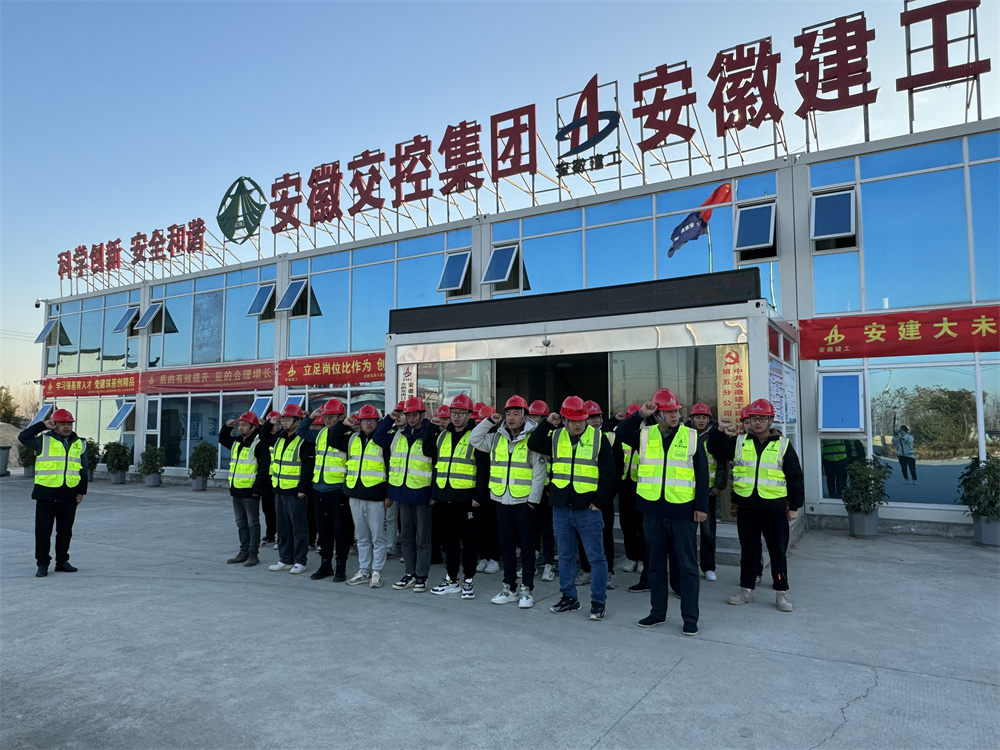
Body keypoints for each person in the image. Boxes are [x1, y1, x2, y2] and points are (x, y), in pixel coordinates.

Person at [615, 389, 709, 635]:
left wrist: (701, 507)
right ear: (657, 414)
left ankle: (690, 617)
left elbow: (701, 474)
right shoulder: (645, 434)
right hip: (652, 510)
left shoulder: (691, 436)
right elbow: (621, 433)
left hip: (683, 510)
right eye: (668, 411)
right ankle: (657, 613)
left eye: (676, 410)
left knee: (688, 567)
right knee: (655, 565)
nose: (674, 415)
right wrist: (640, 414)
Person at [528, 396, 616, 621]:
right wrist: (547, 423)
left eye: (581, 420)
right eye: (573, 420)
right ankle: (569, 597)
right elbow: (534, 443)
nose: (578, 424)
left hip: (588, 508)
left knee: (596, 558)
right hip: (561, 508)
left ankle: (598, 602)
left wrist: (599, 501)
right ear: (564, 419)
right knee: (566, 556)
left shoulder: (598, 438)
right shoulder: (556, 436)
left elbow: (609, 473)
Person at [716, 399, 804, 613]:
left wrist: (794, 507)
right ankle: (746, 590)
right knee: (748, 552)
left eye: (762, 418)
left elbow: (795, 478)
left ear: (770, 420)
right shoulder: (740, 442)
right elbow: (717, 451)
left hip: (774, 510)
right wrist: (719, 431)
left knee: (777, 552)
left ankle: (781, 592)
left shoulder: (783, 445)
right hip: (748, 508)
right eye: (754, 418)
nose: (757, 422)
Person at [470, 396, 547, 609]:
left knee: (527, 549)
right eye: (508, 413)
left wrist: (533, 501)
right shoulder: (496, 437)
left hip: (524, 502)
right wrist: (489, 421)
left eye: (516, 413)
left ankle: (526, 589)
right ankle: (509, 587)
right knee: (506, 548)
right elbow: (474, 439)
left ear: (524, 416)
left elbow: (539, 473)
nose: (511, 418)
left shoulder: (533, 438)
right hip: (501, 500)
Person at [374, 397, 440, 593]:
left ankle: (422, 576)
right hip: (402, 492)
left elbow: (436, 465)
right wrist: (389, 418)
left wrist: (434, 493)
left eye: (414, 414)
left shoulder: (430, 433)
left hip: (422, 493)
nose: (411, 418)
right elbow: (378, 437)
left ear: (422, 414)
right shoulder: (398, 435)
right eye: (407, 414)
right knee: (407, 537)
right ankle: (410, 573)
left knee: (422, 539)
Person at [429, 394, 489, 599]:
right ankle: (451, 579)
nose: (456, 417)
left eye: (461, 413)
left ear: (469, 415)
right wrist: (436, 493)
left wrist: (479, 496)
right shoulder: (442, 436)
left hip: (466, 499)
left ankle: (468, 580)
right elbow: (435, 462)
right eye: (454, 412)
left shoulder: (475, 436)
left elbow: (483, 469)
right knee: (449, 541)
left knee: (468, 541)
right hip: (444, 496)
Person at [20, 409, 88, 577]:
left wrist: (81, 492)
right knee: (43, 531)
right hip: (46, 493)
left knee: (65, 531)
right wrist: (42, 425)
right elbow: (23, 437)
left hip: (69, 493)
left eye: (69, 423)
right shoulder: (43, 440)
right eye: (62, 423)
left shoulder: (79, 443)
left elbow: (83, 469)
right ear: (55, 424)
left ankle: (62, 561)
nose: (66, 426)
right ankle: (42, 564)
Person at [333, 404, 391, 588]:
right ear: (359, 422)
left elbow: (391, 468)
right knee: (361, 537)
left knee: (378, 538)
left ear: (377, 422)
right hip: (355, 494)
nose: (368, 423)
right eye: (365, 420)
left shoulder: (384, 440)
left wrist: (388, 494)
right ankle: (364, 571)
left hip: (376, 495)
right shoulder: (352, 439)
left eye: (372, 420)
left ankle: (377, 572)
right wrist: (343, 424)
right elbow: (332, 439)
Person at [298, 399, 355, 582]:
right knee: (323, 531)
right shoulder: (321, 433)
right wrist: (310, 418)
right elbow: (301, 432)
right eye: (325, 416)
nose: (327, 420)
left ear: (341, 416)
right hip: (319, 488)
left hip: (338, 489)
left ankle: (341, 567)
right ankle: (325, 565)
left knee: (340, 531)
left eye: (331, 416)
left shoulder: (348, 435)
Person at [575, 400, 621, 590]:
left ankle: (608, 572)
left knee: (605, 535)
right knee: (582, 535)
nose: (594, 420)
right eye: (590, 417)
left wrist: (604, 497)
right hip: (582, 495)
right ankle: (586, 569)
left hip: (603, 499)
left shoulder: (610, 437)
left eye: (596, 417)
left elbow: (615, 471)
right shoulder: (577, 438)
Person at [218, 411, 272, 567]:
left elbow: (263, 468)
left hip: (250, 491)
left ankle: (253, 554)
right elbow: (222, 439)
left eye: (244, 425)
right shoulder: (237, 442)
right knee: (241, 523)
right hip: (236, 490)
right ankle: (243, 552)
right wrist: (227, 427)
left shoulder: (258, 443)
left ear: (253, 427)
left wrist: (257, 488)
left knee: (252, 523)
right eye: (239, 425)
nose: (240, 428)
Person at [267, 404, 315, 575]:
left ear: (298, 421)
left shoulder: (304, 440)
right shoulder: (280, 437)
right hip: (280, 489)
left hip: (296, 491)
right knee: (283, 528)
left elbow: (308, 467)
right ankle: (285, 559)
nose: (285, 422)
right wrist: (269, 423)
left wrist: (303, 489)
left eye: (288, 419)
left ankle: (300, 560)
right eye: (283, 419)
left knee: (299, 528)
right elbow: (264, 437)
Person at [687, 403, 726, 582]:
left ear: (709, 419)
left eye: (704, 417)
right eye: (698, 417)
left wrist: (719, 485)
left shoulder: (714, 436)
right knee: (687, 532)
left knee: (708, 532)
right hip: (686, 490)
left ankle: (708, 567)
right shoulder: (685, 435)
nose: (701, 420)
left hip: (708, 492)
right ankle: (689, 565)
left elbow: (722, 463)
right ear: (691, 418)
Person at [528, 399, 556, 583]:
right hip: (529, 489)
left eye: (537, 416)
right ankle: (531, 562)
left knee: (547, 530)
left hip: (547, 491)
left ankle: (548, 564)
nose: (533, 420)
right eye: (531, 416)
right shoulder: (525, 434)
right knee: (531, 529)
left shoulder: (553, 435)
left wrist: (551, 488)